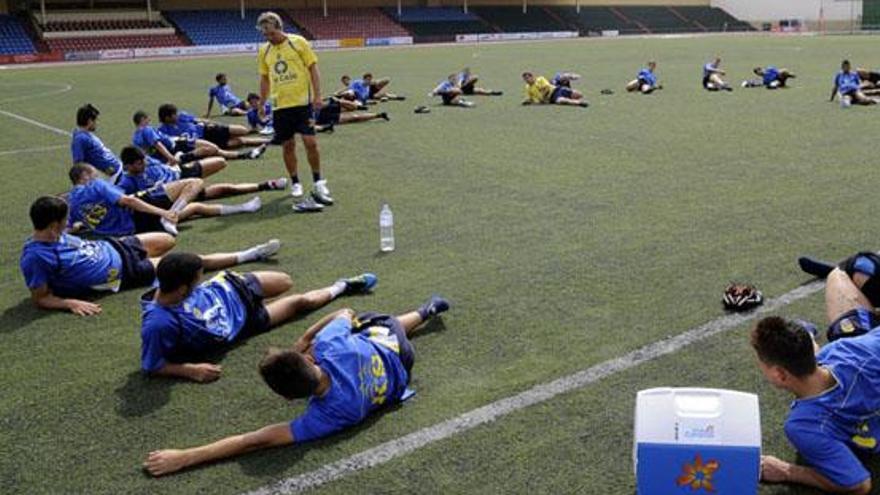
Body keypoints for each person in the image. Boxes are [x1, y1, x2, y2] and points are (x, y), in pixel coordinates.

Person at [142, 294, 450, 476]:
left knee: (378, 332)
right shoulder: (329, 346)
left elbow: (254, 441)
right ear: (311, 361)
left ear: (289, 399)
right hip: (394, 350)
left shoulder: (327, 416)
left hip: (401, 375)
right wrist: (307, 338)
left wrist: (185, 456)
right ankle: (425, 311)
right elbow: (345, 311)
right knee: (379, 326)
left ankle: (425, 312)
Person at [137, 252, 380, 382]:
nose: (199, 281)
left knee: (285, 281)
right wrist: (192, 370)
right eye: (197, 279)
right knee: (301, 302)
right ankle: (343, 286)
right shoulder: (158, 323)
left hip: (234, 286)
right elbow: (152, 366)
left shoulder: (168, 277)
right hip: (245, 322)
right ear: (182, 289)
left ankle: (270, 294)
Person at [20, 196, 280, 316]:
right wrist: (71, 303)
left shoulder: (55, 233)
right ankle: (250, 254)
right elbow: (41, 298)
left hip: (118, 246)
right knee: (190, 261)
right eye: (64, 222)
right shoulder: (35, 258)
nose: (68, 224)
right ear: (53, 225)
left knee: (167, 239)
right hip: (123, 272)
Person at [752, 264, 880, 494]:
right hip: (861, 345)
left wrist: (786, 471)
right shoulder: (846, 350)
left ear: (780, 374)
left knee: (843, 273)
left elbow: (859, 485)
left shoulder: (804, 425)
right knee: (843, 272)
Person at [256, 11, 333, 205]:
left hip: (303, 103)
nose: (269, 38)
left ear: (280, 28)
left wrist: (317, 95)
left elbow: (313, 68)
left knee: (310, 142)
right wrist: (262, 103)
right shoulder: (264, 50)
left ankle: (318, 181)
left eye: (271, 33)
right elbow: (264, 78)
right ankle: (295, 182)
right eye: (265, 34)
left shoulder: (298, 42)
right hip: (280, 106)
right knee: (288, 145)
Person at [116, 147, 269, 235]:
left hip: (180, 185)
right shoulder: (127, 182)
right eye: (138, 164)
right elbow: (127, 201)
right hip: (167, 202)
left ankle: (264, 185)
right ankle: (244, 206)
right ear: (128, 166)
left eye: (143, 161)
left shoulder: (148, 162)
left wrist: (176, 161)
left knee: (220, 170)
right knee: (198, 206)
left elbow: (169, 162)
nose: (143, 165)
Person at [66, 163, 178, 237]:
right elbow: (128, 201)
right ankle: (172, 213)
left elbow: (69, 227)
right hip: (132, 221)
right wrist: (163, 213)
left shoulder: (71, 202)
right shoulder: (96, 185)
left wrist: (82, 224)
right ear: (85, 175)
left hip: (112, 236)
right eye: (95, 173)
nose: (97, 176)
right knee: (190, 186)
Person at [132, 111, 264, 166]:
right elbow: (158, 144)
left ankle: (246, 155)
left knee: (212, 150)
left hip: (177, 146)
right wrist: (170, 158)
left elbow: (146, 151)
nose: (149, 121)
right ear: (143, 120)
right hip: (178, 144)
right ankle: (246, 155)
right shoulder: (147, 129)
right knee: (212, 148)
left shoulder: (135, 137)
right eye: (147, 119)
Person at [157, 103, 270, 151]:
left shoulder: (182, 116)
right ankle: (270, 141)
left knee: (241, 130)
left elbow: (198, 120)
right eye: (174, 115)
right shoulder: (163, 131)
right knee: (239, 142)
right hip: (204, 142)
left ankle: (253, 131)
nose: (176, 115)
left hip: (208, 131)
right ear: (167, 118)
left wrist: (212, 123)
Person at [71, 104, 124, 184]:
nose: (96, 123)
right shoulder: (80, 139)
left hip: (117, 170)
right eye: (95, 120)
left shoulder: (86, 134)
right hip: (113, 177)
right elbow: (78, 165)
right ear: (89, 121)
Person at [314, 97, 389, 133]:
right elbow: (309, 126)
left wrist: (324, 100)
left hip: (323, 108)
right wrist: (323, 128)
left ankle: (359, 106)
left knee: (341, 102)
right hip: (323, 119)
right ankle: (379, 115)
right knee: (354, 117)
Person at [521, 72, 589, 107]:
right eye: (525, 79)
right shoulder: (528, 88)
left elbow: (547, 89)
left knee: (579, 94)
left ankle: (572, 76)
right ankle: (580, 103)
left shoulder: (540, 79)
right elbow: (531, 98)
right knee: (561, 101)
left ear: (532, 77)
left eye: (528, 78)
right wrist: (528, 101)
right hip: (552, 97)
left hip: (556, 90)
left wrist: (542, 98)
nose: (527, 80)